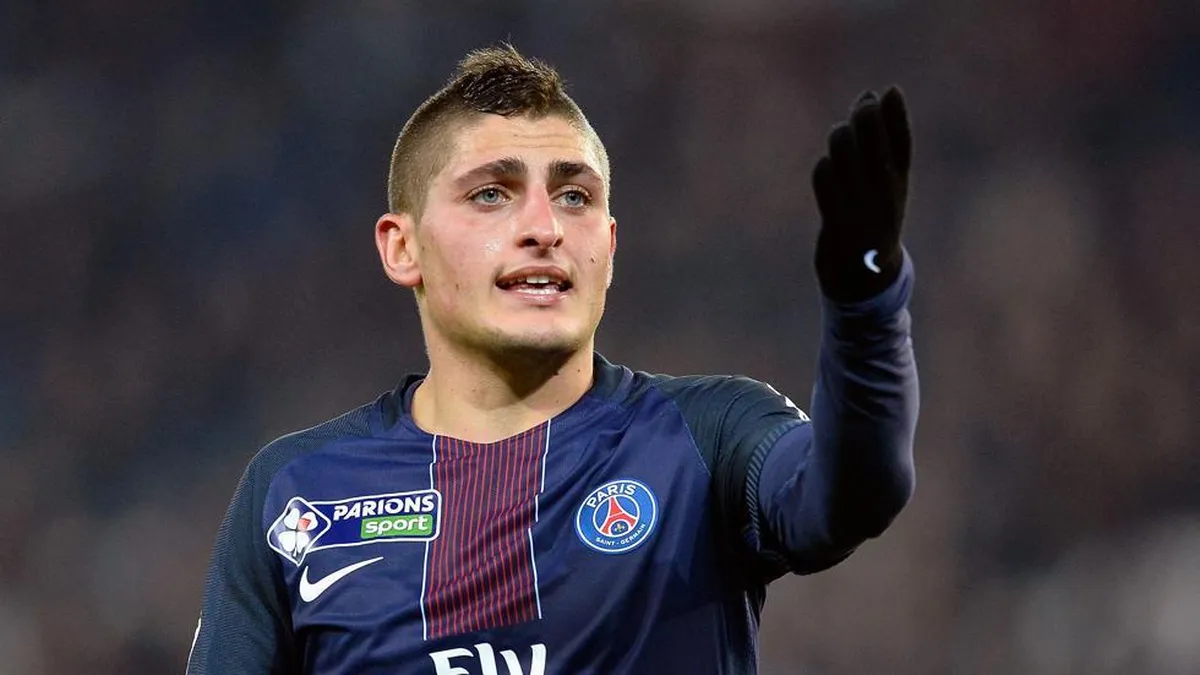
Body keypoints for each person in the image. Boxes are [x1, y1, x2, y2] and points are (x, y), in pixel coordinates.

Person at [186, 44, 919, 675]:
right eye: (491, 194)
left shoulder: (705, 437)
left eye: (573, 196)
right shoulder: (296, 491)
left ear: (609, 246)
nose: (544, 226)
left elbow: (854, 493)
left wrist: (866, 303)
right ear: (402, 247)